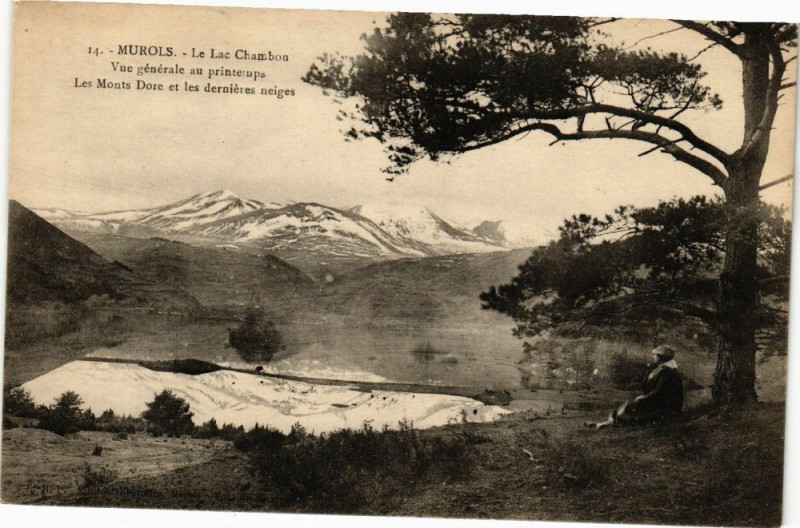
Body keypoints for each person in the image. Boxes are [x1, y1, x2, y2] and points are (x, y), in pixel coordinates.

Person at [588, 345, 684, 429]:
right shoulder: (662, 369)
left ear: (661, 357)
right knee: (628, 404)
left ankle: (609, 423)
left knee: (632, 406)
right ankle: (606, 422)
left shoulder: (668, 372)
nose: (653, 357)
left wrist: (644, 397)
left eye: (655, 355)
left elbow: (661, 392)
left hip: (666, 406)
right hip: (658, 401)